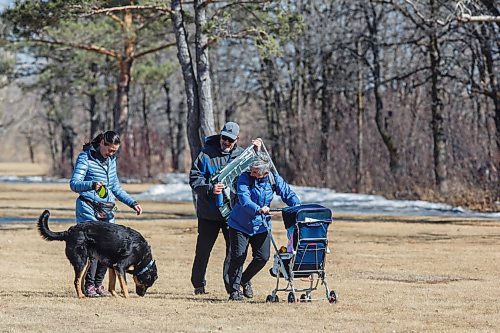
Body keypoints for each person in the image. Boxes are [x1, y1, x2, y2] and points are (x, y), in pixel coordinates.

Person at [189, 121, 261, 295]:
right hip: (208, 213)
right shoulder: (206, 154)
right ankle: (198, 284)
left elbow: (258, 173)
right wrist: (209, 188)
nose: (226, 142)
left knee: (236, 253)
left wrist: (257, 153)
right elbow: (194, 178)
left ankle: (235, 286)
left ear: (236, 139)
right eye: (224, 138)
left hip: (233, 214)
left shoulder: (242, 155)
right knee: (203, 251)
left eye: (230, 140)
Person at [69, 130, 142, 297]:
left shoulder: (111, 161)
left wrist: (133, 203)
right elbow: (74, 184)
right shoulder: (85, 158)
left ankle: (98, 284)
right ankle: (89, 286)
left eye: (115, 151)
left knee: (109, 248)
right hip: (88, 208)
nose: (111, 153)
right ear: (102, 142)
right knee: (93, 249)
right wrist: (92, 184)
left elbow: (115, 187)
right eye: (109, 150)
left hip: (107, 209)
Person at [226, 152, 300, 301]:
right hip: (240, 224)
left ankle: (244, 280)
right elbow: (244, 199)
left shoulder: (273, 178)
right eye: (251, 169)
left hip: (262, 225)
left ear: (265, 172)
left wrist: (297, 206)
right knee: (238, 257)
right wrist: (258, 209)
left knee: (262, 257)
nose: (251, 172)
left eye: (255, 171)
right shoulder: (244, 178)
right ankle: (234, 291)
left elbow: (287, 193)